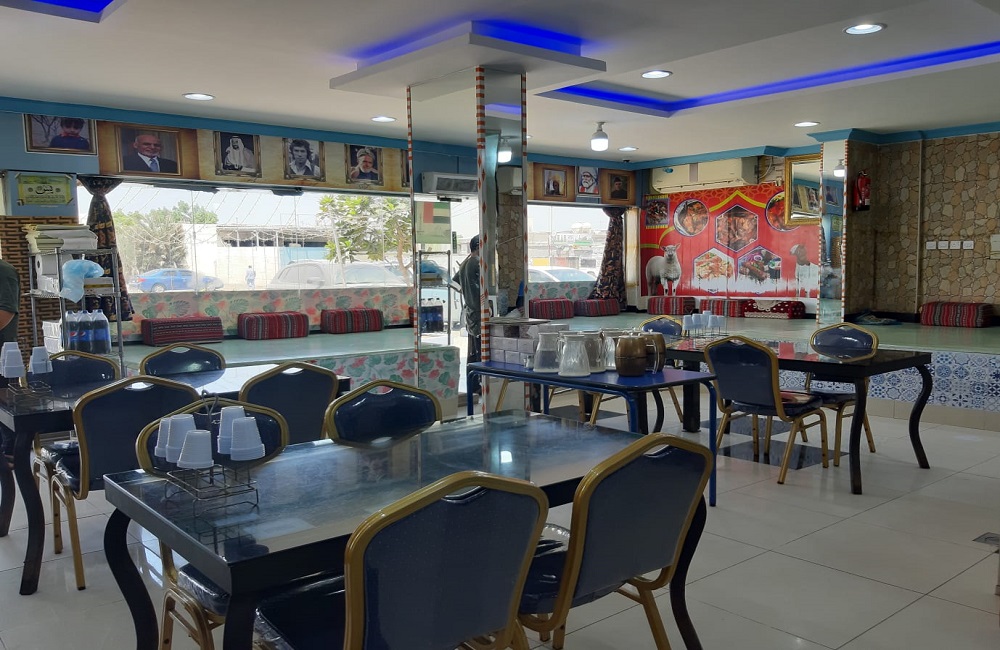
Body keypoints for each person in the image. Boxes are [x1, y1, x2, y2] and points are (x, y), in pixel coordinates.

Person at [453, 235, 482, 396]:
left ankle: (474, 387)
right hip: (479, 313)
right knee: (481, 353)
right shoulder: (478, 263)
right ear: (478, 246)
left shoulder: (465, 263)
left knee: (473, 352)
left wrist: (467, 292)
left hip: (470, 313)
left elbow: (455, 283)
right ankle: (480, 386)